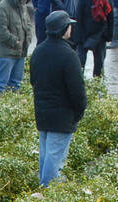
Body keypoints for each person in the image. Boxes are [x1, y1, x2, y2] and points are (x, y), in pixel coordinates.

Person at [31, 10, 87, 185]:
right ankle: (46, 192)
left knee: (46, 154)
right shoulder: (69, 55)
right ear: (64, 29)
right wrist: (79, 112)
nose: (71, 28)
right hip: (62, 115)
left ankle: (43, 185)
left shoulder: (38, 51)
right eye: (69, 25)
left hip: (42, 113)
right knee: (54, 158)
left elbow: (34, 81)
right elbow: (77, 91)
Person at [0, 0, 35, 102]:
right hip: (7, 54)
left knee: (16, 83)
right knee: (0, 84)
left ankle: (13, 108)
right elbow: (0, 31)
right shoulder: (2, 7)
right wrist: (15, 42)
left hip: (21, 53)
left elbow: (28, 25)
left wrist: (28, 40)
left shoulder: (22, 5)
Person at [77, 0, 115, 76]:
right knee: (83, 62)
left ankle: (93, 83)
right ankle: (91, 83)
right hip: (89, 34)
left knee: (98, 63)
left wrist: (108, 36)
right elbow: (110, 19)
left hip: (97, 34)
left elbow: (110, 19)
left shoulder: (107, 1)